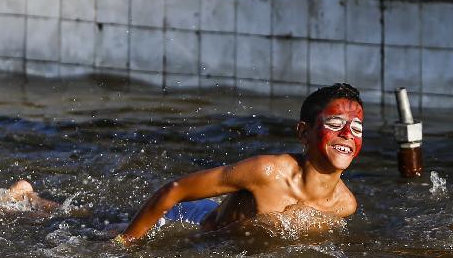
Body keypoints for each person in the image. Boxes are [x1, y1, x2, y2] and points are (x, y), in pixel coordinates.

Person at [116, 83, 364, 244]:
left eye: (356, 128)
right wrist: (126, 243)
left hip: (226, 238)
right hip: (187, 221)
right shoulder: (267, 172)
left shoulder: (345, 205)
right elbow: (176, 189)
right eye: (334, 124)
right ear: (303, 133)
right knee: (102, 229)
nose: (347, 134)